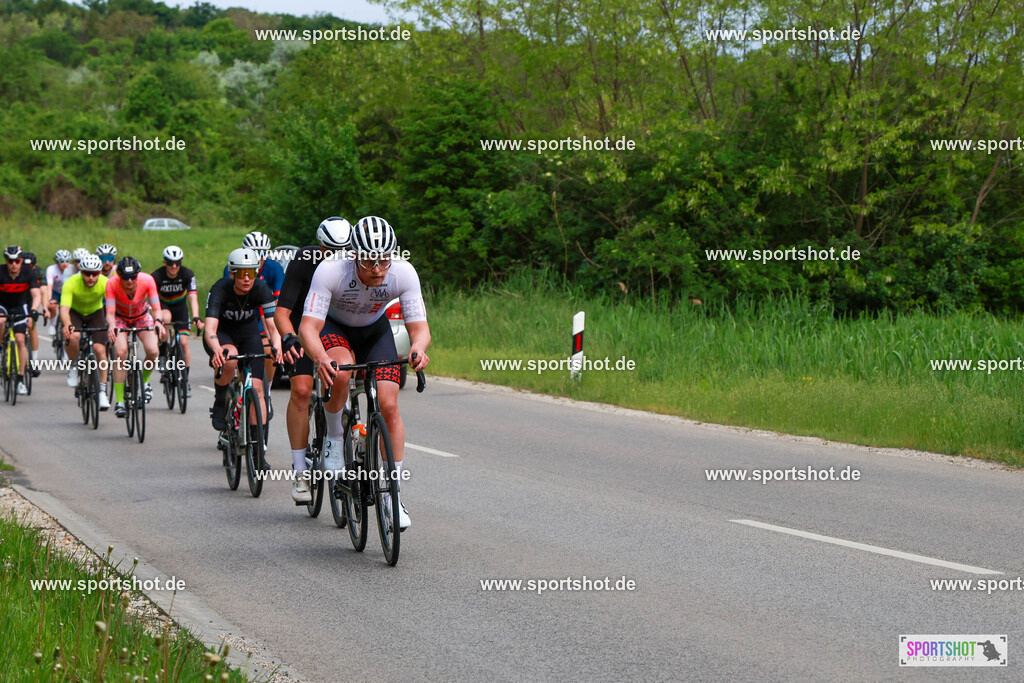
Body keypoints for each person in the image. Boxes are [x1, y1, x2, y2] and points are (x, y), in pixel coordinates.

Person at [298, 216, 430, 530]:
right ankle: (333, 435)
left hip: (375, 331)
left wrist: (419, 349)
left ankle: (391, 496)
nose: (377, 268)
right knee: (341, 372)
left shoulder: (403, 272)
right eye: (369, 260)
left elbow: (419, 328)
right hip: (336, 328)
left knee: (389, 404)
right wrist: (319, 357)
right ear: (354, 254)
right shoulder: (331, 270)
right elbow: (308, 327)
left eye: (383, 260)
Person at [275, 216, 351, 503]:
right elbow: (282, 311)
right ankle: (300, 472)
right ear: (320, 247)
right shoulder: (303, 260)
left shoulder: (358, 261)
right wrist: (288, 337)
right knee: (302, 390)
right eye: (331, 251)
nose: (340, 257)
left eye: (345, 250)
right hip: (304, 326)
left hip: (339, 328)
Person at [204, 248, 283, 441]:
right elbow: (210, 329)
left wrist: (278, 346)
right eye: (241, 273)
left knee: (257, 389)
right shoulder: (220, 289)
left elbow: (272, 326)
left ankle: (258, 449)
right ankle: (220, 401)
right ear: (232, 273)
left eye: (252, 273)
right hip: (223, 334)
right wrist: (216, 350)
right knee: (229, 357)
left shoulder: (262, 289)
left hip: (248, 334)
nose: (247, 278)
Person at [224, 231, 284, 407]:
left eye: (263, 254)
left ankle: (268, 391)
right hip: (241, 313)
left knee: (268, 350)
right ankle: (241, 386)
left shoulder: (274, 268)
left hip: (265, 312)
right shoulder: (234, 268)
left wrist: (276, 338)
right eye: (255, 254)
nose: (260, 259)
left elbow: (277, 303)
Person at [105, 256, 164, 418]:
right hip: (120, 318)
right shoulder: (111, 283)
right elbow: (109, 312)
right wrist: (111, 325)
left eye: (133, 277)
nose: (129, 281)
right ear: (119, 276)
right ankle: (119, 402)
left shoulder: (147, 280)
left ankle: (144, 382)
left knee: (153, 351)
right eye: (125, 278)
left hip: (141, 316)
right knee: (120, 353)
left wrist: (158, 321)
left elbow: (156, 308)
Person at [60, 254, 111, 409]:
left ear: (100, 272)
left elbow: (111, 308)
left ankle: (102, 392)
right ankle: (74, 365)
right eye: (87, 273)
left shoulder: (106, 283)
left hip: (96, 313)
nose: (91, 277)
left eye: (94, 273)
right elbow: (64, 309)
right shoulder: (71, 282)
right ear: (81, 272)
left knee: (100, 350)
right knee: (73, 335)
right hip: (75, 313)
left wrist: (112, 324)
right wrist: (68, 324)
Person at [152, 245, 203, 398]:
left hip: (180, 308)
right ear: (164, 263)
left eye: (177, 263)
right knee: (166, 319)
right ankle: (163, 351)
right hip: (164, 305)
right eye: (170, 263)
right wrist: (157, 319)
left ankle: (185, 380)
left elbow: (193, 297)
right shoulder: (156, 276)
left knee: (185, 343)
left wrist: (196, 316)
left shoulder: (187, 274)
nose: (174, 266)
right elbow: (152, 299)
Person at [0, 245, 41, 395]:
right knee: (1, 321)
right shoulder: (1, 272)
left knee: (20, 339)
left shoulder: (28, 272)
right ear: (6, 261)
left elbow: (36, 295)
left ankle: (20, 380)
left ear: (21, 260)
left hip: (20, 306)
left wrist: (34, 311)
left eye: (17, 261)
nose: (14, 265)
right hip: (2, 305)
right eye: (10, 262)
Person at [20, 251, 42, 377]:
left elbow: (43, 291)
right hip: (15, 299)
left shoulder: (37, 273)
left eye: (31, 266)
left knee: (31, 325)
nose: (29, 269)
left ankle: (33, 360)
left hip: (30, 300)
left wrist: (40, 308)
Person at [45, 249, 73, 336]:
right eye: (61, 261)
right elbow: (49, 286)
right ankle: (52, 325)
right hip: (55, 291)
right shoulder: (51, 269)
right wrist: (50, 299)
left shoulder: (72, 269)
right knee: (53, 305)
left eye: (67, 261)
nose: (65, 263)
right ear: (57, 262)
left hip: (67, 293)